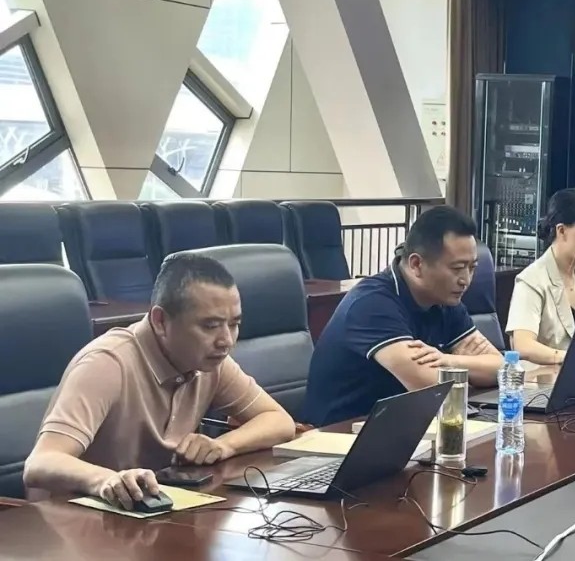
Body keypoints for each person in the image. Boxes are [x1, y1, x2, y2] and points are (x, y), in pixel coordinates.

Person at [23, 253, 296, 510]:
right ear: (161, 321)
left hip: (148, 512)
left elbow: (279, 421)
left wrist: (224, 445)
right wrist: (106, 480)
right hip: (70, 519)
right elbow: (41, 462)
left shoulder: (211, 362)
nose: (226, 340)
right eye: (210, 326)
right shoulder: (107, 364)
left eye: (234, 324)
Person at [303, 206, 503, 426]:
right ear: (416, 264)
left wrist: (449, 360)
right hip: (341, 433)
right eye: (457, 268)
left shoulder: (445, 300)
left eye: (472, 268)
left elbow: (500, 368)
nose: (466, 280)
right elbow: (433, 388)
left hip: (401, 424)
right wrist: (469, 370)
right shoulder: (372, 304)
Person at [507, 188, 575, 365]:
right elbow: (523, 346)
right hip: (542, 378)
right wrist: (571, 357)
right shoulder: (531, 280)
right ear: (561, 231)